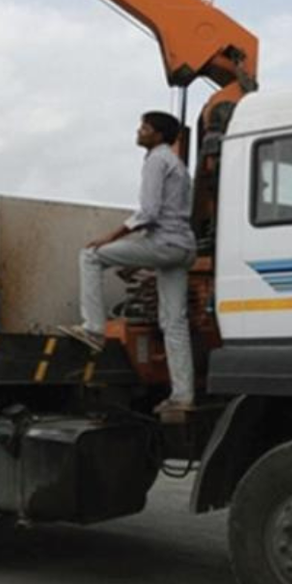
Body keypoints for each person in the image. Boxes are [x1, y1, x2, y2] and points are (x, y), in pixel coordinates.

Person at [64, 111, 197, 413]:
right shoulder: (178, 165)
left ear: (158, 136)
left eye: (145, 127)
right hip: (183, 247)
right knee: (174, 323)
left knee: (91, 256)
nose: (139, 131)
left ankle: (94, 328)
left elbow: (148, 213)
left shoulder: (156, 161)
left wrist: (111, 236)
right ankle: (183, 395)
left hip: (164, 243)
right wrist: (138, 259)